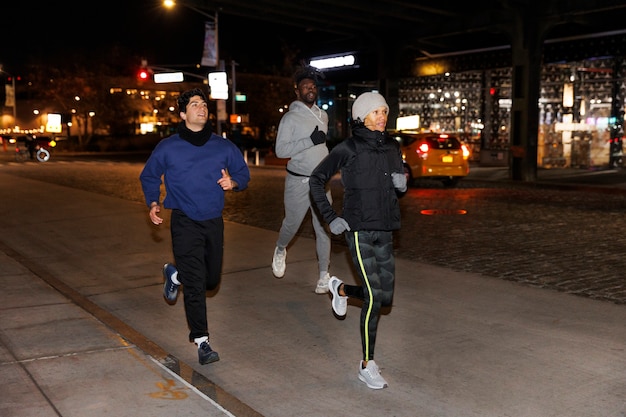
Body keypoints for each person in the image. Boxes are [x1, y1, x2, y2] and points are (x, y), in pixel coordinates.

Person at [139, 88, 250, 365]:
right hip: (184, 220)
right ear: (182, 113)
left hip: (212, 220)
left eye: (204, 104)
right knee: (198, 285)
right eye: (194, 104)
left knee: (210, 281)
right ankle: (202, 341)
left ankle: (175, 276)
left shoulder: (223, 146)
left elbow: (243, 173)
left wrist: (233, 183)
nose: (201, 107)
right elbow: (150, 175)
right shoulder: (168, 147)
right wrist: (153, 202)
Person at [309, 91, 407, 389]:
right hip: (358, 229)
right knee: (375, 298)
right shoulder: (347, 148)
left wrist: (401, 185)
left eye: (384, 111)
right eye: (376, 111)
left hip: (386, 228)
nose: (382, 116)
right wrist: (330, 216)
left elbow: (395, 183)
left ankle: (340, 289)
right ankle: (367, 364)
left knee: (384, 298)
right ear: (361, 115)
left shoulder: (393, 146)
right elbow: (316, 179)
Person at [271, 66, 333, 294]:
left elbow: (321, 146)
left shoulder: (323, 115)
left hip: (321, 182)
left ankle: (324, 275)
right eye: (306, 87)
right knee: (292, 225)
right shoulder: (290, 118)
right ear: (297, 91)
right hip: (298, 182)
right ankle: (280, 248)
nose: (311, 90)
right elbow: (280, 150)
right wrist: (309, 141)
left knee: (323, 228)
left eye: (313, 86)